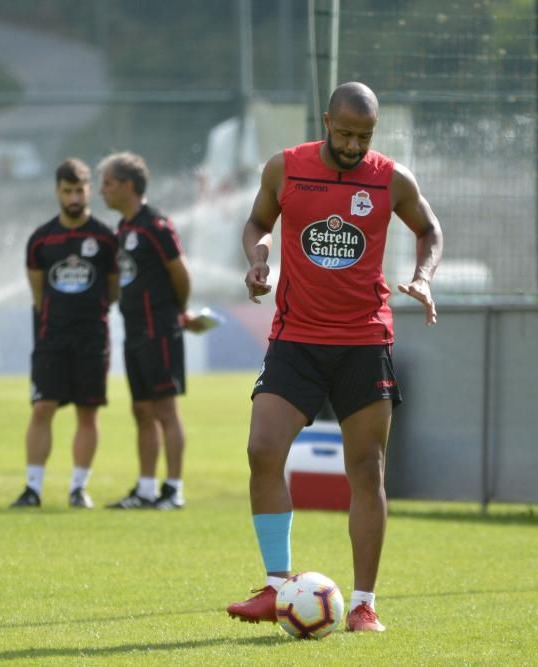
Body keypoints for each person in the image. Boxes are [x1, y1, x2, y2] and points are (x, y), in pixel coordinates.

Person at [226, 82, 443, 632]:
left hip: (364, 341)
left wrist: (421, 277)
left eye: (363, 136)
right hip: (295, 337)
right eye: (344, 133)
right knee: (262, 449)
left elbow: (429, 230)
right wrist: (258, 261)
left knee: (366, 470)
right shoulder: (286, 168)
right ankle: (276, 589)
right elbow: (258, 223)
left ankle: (364, 603)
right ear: (326, 121)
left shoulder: (391, 178)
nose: (352, 145)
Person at [10, 158, 120, 509]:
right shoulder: (41, 240)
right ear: (57, 191)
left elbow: (113, 290)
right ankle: (32, 489)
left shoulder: (105, 238)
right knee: (42, 407)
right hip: (51, 337)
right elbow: (38, 293)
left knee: (88, 411)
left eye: (79, 190)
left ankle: (78, 488)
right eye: (67, 190)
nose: (73, 197)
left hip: (92, 336)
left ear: (89, 190)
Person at [99, 152, 202, 510]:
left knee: (165, 410)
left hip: (159, 329)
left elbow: (181, 272)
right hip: (134, 330)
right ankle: (145, 490)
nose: (102, 191)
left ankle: (173, 490)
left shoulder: (156, 225)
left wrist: (179, 312)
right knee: (141, 410)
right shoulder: (124, 229)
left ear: (128, 185)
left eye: (108, 183)